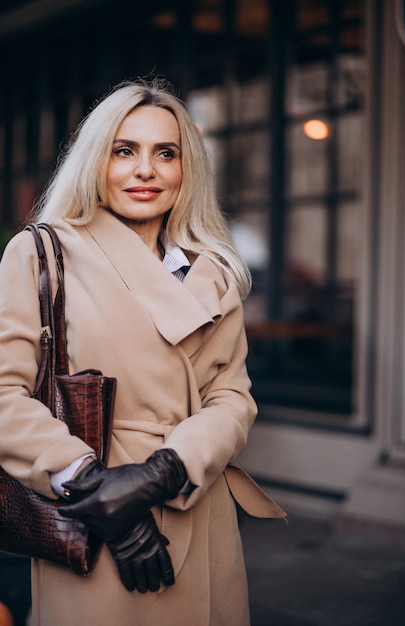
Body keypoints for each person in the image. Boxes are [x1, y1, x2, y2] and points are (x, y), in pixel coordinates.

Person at [0, 78, 285, 626]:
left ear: (187, 169)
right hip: (93, 520)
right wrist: (97, 493)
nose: (145, 170)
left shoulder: (215, 269)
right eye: (124, 150)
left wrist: (164, 471)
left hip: (195, 503)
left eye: (166, 153)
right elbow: (6, 395)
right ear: (96, 161)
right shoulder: (42, 254)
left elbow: (232, 397)